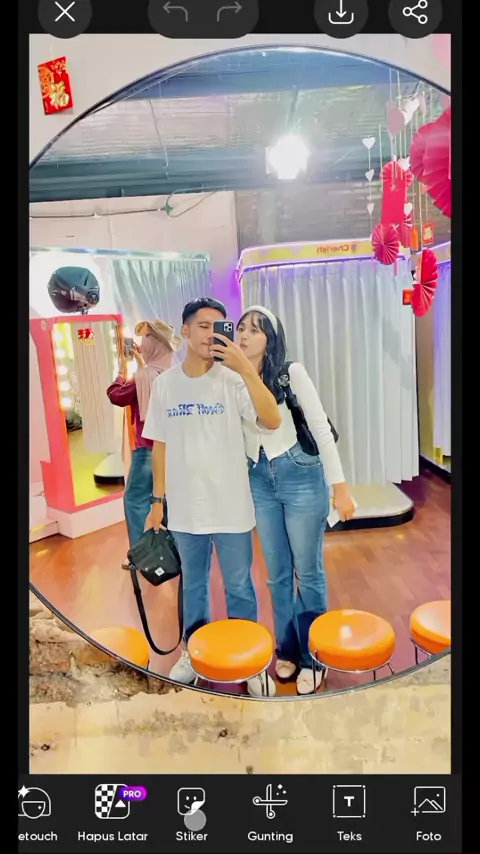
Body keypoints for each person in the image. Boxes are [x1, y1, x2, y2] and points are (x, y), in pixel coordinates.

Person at [142, 297, 281, 697]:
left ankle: (250, 661)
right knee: (194, 586)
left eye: (218, 327)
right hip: (186, 510)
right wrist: (157, 502)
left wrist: (244, 369)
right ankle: (193, 652)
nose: (210, 334)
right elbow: (160, 446)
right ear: (185, 331)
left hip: (232, 506)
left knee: (239, 586)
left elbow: (272, 420)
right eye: (202, 326)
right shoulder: (165, 385)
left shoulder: (233, 380)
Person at [236, 305, 356, 695]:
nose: (244, 335)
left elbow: (319, 427)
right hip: (259, 477)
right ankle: (286, 648)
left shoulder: (291, 372)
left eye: (255, 330)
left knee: (308, 572)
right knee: (276, 575)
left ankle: (313, 656)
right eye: (241, 328)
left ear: (271, 338)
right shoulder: (233, 378)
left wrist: (339, 487)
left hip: (300, 474)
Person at [106, 320, 181, 547]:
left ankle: (142, 553)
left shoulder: (143, 377)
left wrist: (122, 371)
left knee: (135, 500)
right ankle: (174, 551)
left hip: (147, 450)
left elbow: (116, 395)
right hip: (174, 450)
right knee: (168, 500)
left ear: (152, 346)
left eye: (145, 341)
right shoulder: (175, 375)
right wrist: (141, 366)